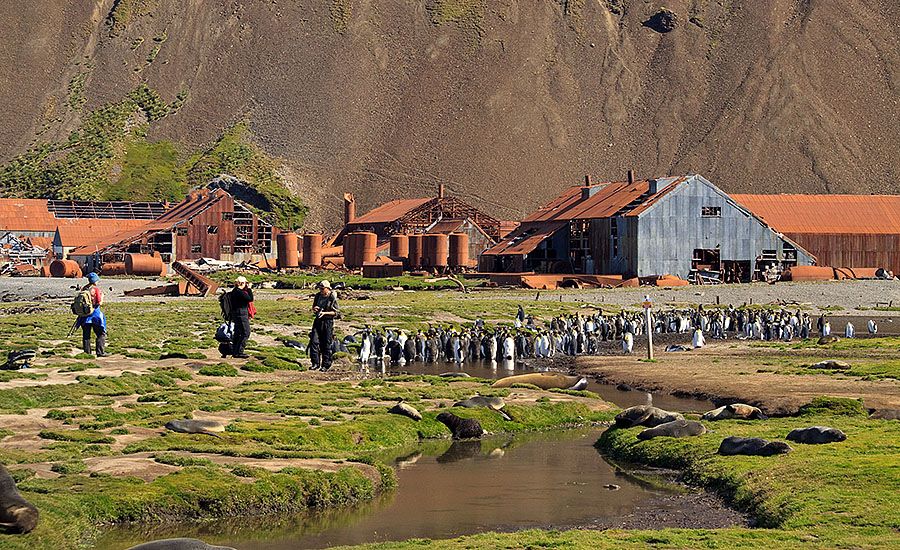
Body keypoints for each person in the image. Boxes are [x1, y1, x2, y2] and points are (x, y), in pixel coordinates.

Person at [309, 280, 340, 371]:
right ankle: (315, 363)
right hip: (318, 320)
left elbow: (336, 313)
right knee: (314, 342)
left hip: (327, 322)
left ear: (327, 288)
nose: (321, 290)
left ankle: (326, 365)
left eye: (322, 289)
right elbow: (313, 307)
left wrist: (325, 313)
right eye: (320, 288)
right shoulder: (318, 296)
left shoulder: (332, 297)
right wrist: (315, 309)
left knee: (326, 343)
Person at [76, 272, 107, 357]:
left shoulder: (84, 289)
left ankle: (87, 353)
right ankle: (100, 352)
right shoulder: (95, 289)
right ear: (95, 281)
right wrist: (103, 296)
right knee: (101, 333)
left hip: (84, 315)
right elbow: (99, 302)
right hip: (95, 315)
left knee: (86, 335)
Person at [229, 276, 254, 358]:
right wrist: (249, 289)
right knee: (246, 332)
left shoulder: (234, 291)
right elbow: (250, 298)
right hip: (241, 313)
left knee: (238, 332)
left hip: (236, 313)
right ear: (242, 283)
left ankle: (235, 350)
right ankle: (239, 352)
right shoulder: (239, 292)